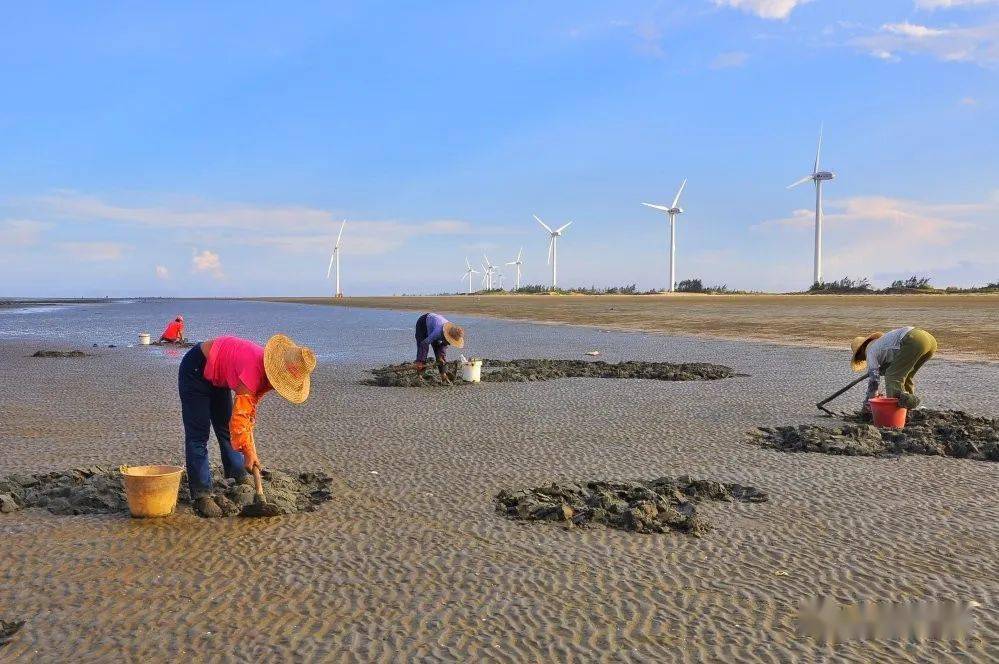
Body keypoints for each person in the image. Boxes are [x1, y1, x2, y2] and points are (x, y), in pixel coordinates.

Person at [178, 333, 316, 517]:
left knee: (226, 429)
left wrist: (251, 452)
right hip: (195, 369)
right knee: (198, 435)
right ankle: (202, 493)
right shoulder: (253, 370)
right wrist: (249, 452)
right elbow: (240, 419)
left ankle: (237, 472)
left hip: (219, 376)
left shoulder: (267, 373)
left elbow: (249, 414)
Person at [851, 327, 937, 412]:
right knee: (906, 377)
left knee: (892, 376)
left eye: (859, 356)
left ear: (862, 348)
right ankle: (907, 410)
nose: (862, 359)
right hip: (929, 341)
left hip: (913, 340)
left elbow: (874, 382)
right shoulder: (880, 343)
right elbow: (895, 363)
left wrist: (868, 402)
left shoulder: (870, 351)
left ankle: (895, 411)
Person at [413, 313, 465, 383]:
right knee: (422, 350)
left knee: (441, 355)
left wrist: (441, 358)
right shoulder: (437, 332)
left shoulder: (452, 332)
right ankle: (419, 375)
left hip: (434, 325)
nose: (449, 343)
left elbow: (443, 346)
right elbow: (424, 344)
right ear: (447, 336)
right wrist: (421, 361)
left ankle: (443, 375)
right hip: (423, 323)